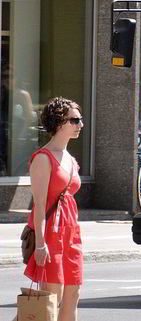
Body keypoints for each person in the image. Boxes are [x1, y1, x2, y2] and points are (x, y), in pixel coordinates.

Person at [24, 97, 84, 321]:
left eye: (80, 120)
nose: (80, 125)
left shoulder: (70, 158)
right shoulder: (43, 158)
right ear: (59, 123)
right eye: (74, 120)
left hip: (71, 234)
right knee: (52, 297)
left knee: (73, 294)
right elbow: (39, 206)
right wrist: (40, 243)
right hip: (50, 235)